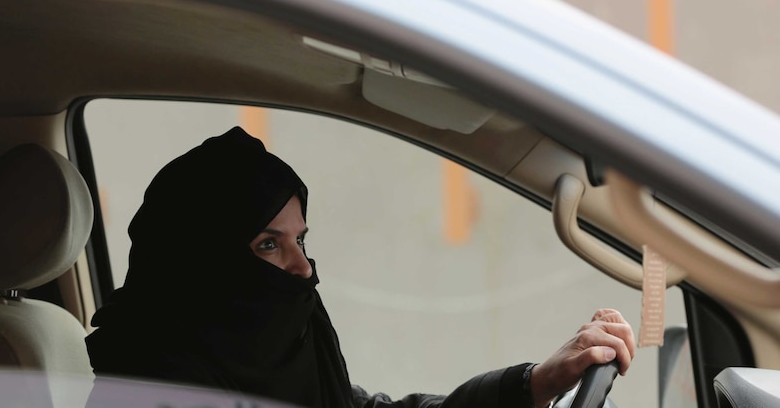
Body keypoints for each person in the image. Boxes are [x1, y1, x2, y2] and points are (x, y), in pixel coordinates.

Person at [85, 126, 636, 408]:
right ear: (200, 266)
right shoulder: (152, 389)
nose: (303, 268)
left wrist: (531, 385)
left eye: (301, 239)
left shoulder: (273, 371)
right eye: (267, 245)